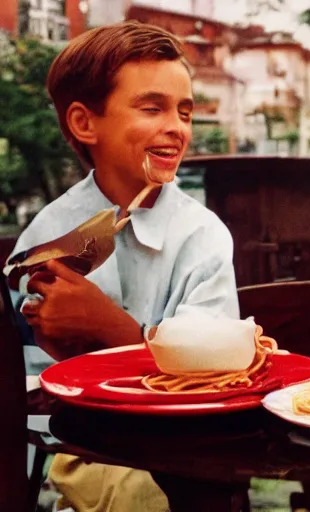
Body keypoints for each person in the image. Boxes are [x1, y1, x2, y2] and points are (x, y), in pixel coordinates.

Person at [5, 21, 238, 512]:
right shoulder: (46, 236)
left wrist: (105, 326)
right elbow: (30, 381)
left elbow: (207, 375)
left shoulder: (203, 237)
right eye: (152, 108)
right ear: (85, 123)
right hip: (84, 443)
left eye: (185, 111)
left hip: (190, 443)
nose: (176, 126)